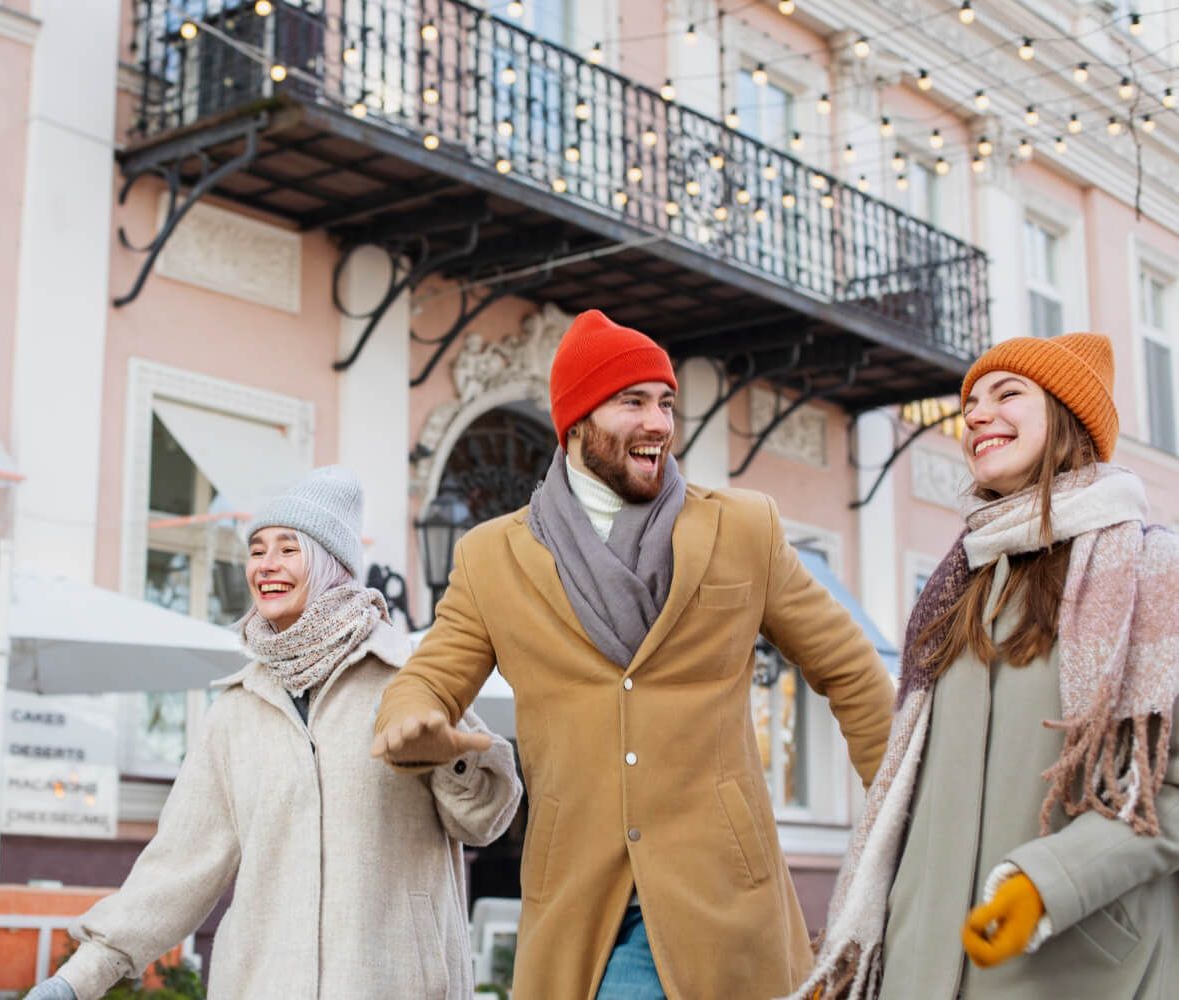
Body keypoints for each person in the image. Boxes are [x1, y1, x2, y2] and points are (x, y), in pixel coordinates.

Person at [371, 310, 897, 1000]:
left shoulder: (743, 528)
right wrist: (414, 720)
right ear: (577, 420)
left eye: (665, 402)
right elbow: (427, 678)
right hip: (576, 899)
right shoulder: (490, 557)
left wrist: (901, 823)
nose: (658, 423)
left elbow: (851, 671)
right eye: (632, 402)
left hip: (723, 894)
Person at [26, 466, 522, 1000]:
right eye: (257, 550)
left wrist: (451, 759)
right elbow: (178, 866)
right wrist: (78, 979)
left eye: (288, 549)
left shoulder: (406, 675)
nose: (267, 565)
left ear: (330, 564)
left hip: (394, 982)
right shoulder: (236, 712)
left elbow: (486, 821)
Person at [797, 333, 1179, 1000]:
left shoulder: (1152, 574)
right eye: (970, 402)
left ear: (1069, 417)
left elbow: (1169, 790)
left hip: (1075, 967)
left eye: (1007, 395)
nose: (974, 415)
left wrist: (1050, 881)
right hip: (922, 968)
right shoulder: (960, 585)